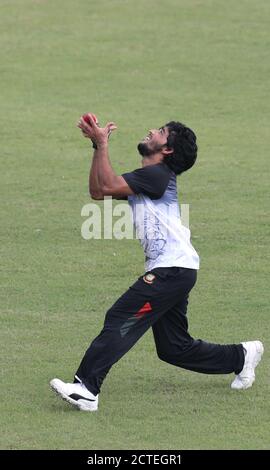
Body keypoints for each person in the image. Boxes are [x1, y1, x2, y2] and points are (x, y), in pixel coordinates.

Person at [50, 114, 264, 412]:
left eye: (160, 132)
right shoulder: (148, 178)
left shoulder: (158, 176)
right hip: (177, 269)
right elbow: (99, 192)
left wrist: (101, 143)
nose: (151, 131)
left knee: (120, 316)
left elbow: (108, 183)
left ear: (167, 150)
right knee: (173, 348)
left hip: (171, 270)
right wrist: (98, 148)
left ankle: (86, 387)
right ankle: (241, 356)